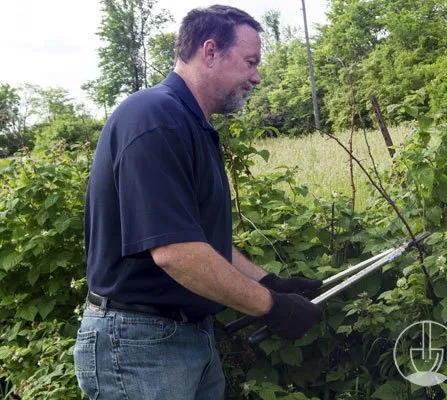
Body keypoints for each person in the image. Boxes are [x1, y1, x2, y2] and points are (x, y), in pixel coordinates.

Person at [73, 5, 322, 400]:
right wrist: (272, 306)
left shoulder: (190, 124)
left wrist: (268, 282)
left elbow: (198, 239)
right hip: (140, 346)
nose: (256, 77)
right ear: (210, 51)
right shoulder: (155, 119)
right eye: (250, 62)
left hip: (184, 336)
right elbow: (177, 253)